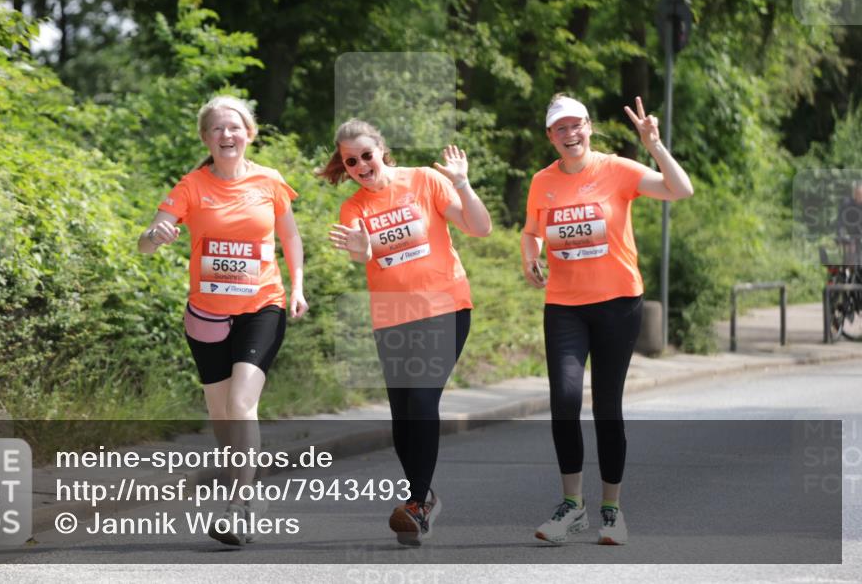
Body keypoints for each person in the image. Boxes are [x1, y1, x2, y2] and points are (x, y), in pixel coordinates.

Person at [521, 95, 693, 546]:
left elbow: (681, 190)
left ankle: (612, 511)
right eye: (560, 128)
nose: (570, 134)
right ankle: (572, 506)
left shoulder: (617, 169)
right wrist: (530, 255)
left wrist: (654, 145)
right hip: (564, 305)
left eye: (576, 125)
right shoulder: (543, 182)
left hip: (618, 303)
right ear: (550, 137)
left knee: (607, 407)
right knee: (564, 396)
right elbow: (531, 230)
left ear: (590, 127)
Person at [139, 95, 308, 546]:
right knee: (220, 416)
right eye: (217, 128)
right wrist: (155, 236)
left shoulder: (269, 182)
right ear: (205, 138)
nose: (227, 135)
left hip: (262, 306)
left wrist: (297, 288)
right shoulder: (191, 185)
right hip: (207, 314)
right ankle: (246, 490)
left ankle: (241, 504)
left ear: (249, 133)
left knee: (241, 403)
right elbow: (147, 240)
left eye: (234, 127)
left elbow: (289, 235)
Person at [321, 119, 492, 546]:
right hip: (392, 316)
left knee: (420, 397)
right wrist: (361, 251)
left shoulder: (426, 181)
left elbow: (479, 227)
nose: (361, 165)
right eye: (351, 161)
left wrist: (464, 185)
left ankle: (417, 503)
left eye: (366, 155)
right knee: (402, 415)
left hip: (445, 306)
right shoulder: (354, 208)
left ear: (382, 149)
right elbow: (362, 254)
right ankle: (423, 498)